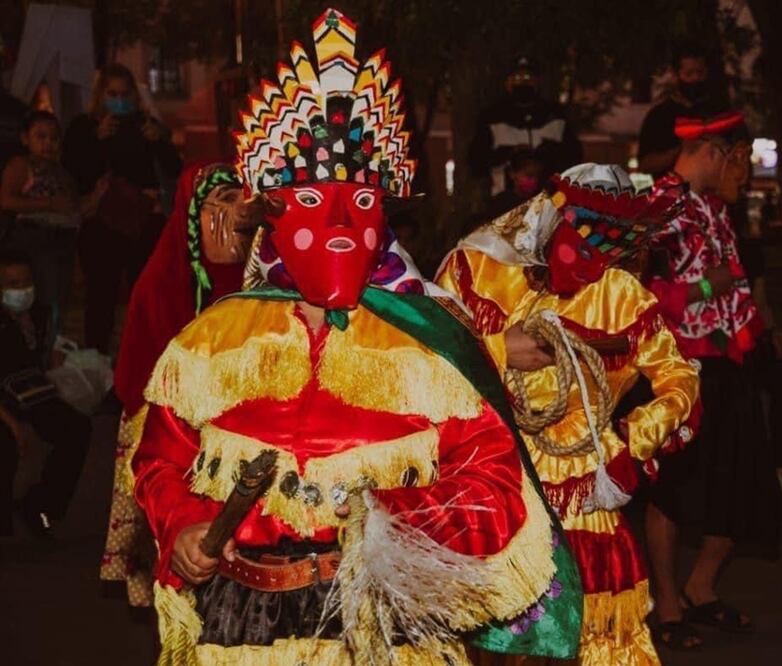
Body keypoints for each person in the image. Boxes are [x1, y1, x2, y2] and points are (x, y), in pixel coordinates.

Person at [132, 10, 579, 663]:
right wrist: (180, 525)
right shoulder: (211, 341)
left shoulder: (428, 343)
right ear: (273, 216)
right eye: (313, 202)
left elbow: (493, 482)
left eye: (363, 203)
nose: (342, 223)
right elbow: (158, 459)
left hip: (388, 629)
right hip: (241, 633)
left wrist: (392, 518)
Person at [438, 163, 699, 665]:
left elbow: (681, 378)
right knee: (499, 641)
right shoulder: (479, 273)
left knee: (595, 642)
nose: (591, 261)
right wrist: (496, 349)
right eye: (582, 240)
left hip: (587, 496)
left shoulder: (622, 295)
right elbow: (428, 360)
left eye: (608, 248)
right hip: (498, 487)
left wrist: (636, 444)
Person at [645, 110, 782, 649]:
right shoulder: (660, 206)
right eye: (738, 158)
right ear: (713, 151)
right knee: (673, 487)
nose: (742, 170)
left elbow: (736, 282)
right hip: (682, 365)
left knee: (740, 482)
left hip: (730, 363)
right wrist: (705, 290)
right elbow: (633, 295)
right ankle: (668, 601)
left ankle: (701, 587)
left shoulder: (717, 209)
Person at [99, 162, 257, 607]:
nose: (234, 215)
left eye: (239, 201)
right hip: (166, 419)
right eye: (219, 204)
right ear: (193, 213)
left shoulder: (257, 280)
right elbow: (140, 361)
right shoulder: (163, 279)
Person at [62, 63, 181, 354]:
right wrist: (95, 140)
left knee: (145, 295)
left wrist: (160, 141)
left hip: (144, 221)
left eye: (124, 94)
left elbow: (173, 168)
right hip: (102, 222)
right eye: (112, 93)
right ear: (100, 95)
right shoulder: (84, 126)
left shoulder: (145, 125)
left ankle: (144, 358)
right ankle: (97, 358)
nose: (119, 100)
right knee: (101, 296)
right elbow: (73, 171)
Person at [0, 249, 91, 539]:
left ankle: (42, 508)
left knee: (77, 429)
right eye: (12, 284)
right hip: (4, 401)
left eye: (25, 281)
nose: (21, 289)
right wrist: (13, 425)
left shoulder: (38, 314)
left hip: (33, 394)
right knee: (6, 445)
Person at [1, 110, 106, 350]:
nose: (48, 143)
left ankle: (51, 348)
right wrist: (47, 204)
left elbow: (74, 209)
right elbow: (6, 199)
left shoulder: (62, 172)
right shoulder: (22, 165)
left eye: (54, 138)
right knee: (41, 301)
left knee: (58, 302)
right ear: (26, 138)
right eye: (41, 137)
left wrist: (96, 197)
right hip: (35, 240)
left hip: (63, 244)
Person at [468, 57, 583, 197]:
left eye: (528, 77)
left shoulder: (554, 115)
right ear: (507, 82)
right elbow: (476, 162)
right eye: (517, 77)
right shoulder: (493, 116)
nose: (522, 82)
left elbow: (574, 157)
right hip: (506, 200)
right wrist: (509, 155)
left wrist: (547, 155)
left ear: (537, 81)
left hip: (549, 199)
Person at [637, 44, 722, 179]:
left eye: (700, 73)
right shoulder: (659, 115)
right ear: (676, 76)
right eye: (689, 74)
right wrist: (681, 150)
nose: (695, 79)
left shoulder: (718, 112)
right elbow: (645, 165)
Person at [486, 148, 545, 218]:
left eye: (537, 176)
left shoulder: (541, 200)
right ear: (512, 174)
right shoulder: (501, 203)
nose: (534, 181)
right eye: (529, 176)